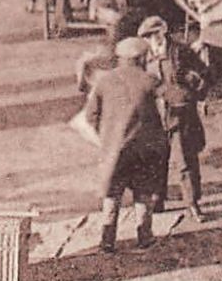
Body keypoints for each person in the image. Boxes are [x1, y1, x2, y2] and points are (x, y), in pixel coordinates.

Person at [85, 37, 170, 253]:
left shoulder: (104, 82)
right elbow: (173, 99)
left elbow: (90, 115)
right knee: (143, 192)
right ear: (140, 58)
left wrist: (106, 135)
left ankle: (107, 241)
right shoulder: (149, 80)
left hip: (115, 150)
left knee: (112, 195)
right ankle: (145, 237)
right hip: (143, 149)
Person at [139, 16, 210, 221]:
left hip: (179, 114)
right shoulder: (145, 57)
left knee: (184, 161)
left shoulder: (180, 51)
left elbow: (204, 74)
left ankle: (192, 204)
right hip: (156, 116)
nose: (151, 41)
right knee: (157, 160)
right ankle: (158, 199)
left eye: (153, 35)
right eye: (147, 37)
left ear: (162, 32)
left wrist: (195, 92)